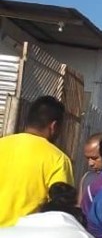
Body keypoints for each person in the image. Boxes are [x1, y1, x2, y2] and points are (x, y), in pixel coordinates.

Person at [0, 95, 74, 227]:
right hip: (25, 236)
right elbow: (60, 210)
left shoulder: (2, 144)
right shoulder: (58, 159)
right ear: (54, 126)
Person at [77, 132, 102, 203]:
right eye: (88, 158)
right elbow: (80, 206)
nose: (90, 163)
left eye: (94, 158)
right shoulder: (87, 178)